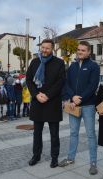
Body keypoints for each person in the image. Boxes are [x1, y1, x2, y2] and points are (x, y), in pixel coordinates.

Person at [59, 41, 100, 175]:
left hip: (88, 105)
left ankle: (93, 162)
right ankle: (71, 158)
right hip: (73, 105)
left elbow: (92, 86)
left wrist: (79, 98)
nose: (80, 52)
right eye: (78, 50)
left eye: (83, 50)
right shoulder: (73, 66)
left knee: (90, 134)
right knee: (73, 133)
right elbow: (66, 84)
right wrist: (72, 98)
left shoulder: (94, 66)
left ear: (89, 52)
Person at [26, 39, 65, 168]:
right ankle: (36, 155)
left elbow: (60, 82)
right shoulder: (35, 62)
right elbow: (29, 80)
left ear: (52, 49)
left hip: (52, 102)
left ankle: (54, 158)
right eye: (43, 47)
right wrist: (36, 94)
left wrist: (47, 95)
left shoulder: (59, 63)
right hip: (38, 102)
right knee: (37, 132)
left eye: (47, 48)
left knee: (54, 133)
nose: (44, 50)